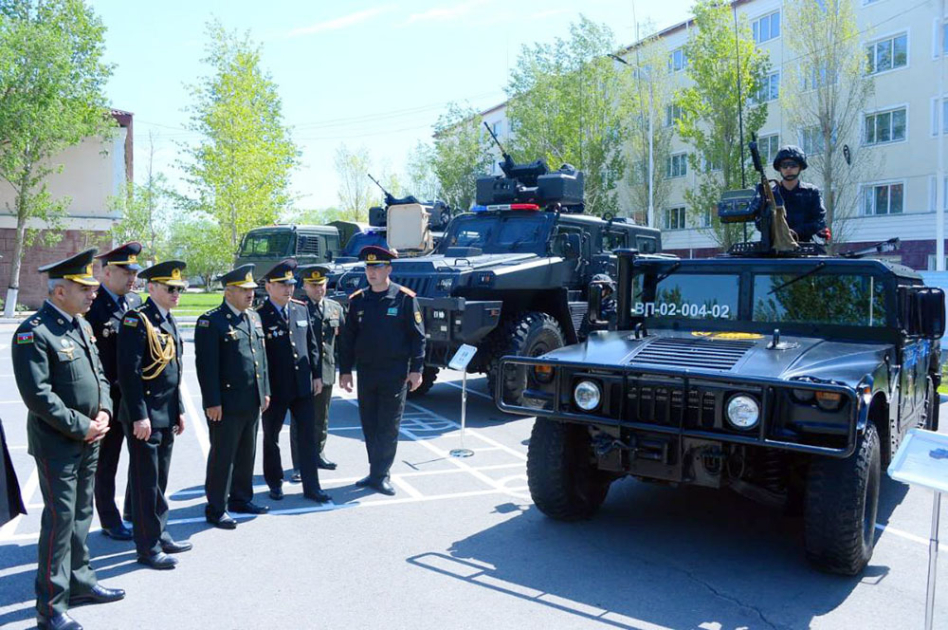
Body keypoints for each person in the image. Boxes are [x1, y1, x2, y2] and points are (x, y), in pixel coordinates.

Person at [11, 249, 125, 630]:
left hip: (90, 437)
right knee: (59, 523)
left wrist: (105, 410)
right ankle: (50, 607)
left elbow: (101, 376)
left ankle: (81, 582)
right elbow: (39, 396)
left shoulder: (81, 326)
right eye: (85, 288)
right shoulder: (34, 332)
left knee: (80, 516)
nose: (93, 294)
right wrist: (83, 425)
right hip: (58, 443)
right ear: (60, 291)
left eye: (93, 287)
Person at [117, 260, 193, 570]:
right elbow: (129, 373)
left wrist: (180, 411)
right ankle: (147, 547)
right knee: (146, 481)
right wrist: (139, 416)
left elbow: (174, 371)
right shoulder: (137, 320)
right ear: (152, 288)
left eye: (179, 289)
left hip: (165, 413)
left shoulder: (168, 320)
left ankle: (159, 533)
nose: (176, 293)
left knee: (159, 478)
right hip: (145, 415)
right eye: (170, 288)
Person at [339, 246, 425, 496]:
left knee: (388, 425)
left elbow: (418, 337)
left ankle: (381, 474)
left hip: (394, 372)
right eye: (368, 267)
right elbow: (348, 339)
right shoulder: (358, 300)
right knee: (370, 424)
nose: (372, 272)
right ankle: (375, 470)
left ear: (389, 268)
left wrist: (417, 369)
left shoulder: (405, 298)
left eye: (377, 267)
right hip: (367, 373)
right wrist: (345, 371)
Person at [194, 264, 270, 529]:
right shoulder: (211, 321)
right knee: (222, 457)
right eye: (244, 290)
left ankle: (241, 498)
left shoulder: (253, 318)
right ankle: (216, 507)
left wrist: (265, 391)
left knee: (247, 453)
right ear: (228, 292)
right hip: (225, 404)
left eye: (251, 289)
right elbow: (206, 366)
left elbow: (261, 359)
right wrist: (212, 402)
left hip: (251, 400)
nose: (250, 294)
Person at [257, 259, 330, 503]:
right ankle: (275, 482)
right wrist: (263, 389)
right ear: (268, 286)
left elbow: (312, 346)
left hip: (302, 386)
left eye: (290, 284)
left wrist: (317, 375)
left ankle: (312, 486)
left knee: (307, 437)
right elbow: (260, 358)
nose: (288, 289)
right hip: (275, 390)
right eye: (282, 285)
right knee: (272, 438)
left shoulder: (300, 309)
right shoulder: (259, 316)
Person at [86, 242, 143, 542]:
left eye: (134, 271)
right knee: (107, 463)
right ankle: (110, 520)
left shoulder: (134, 303)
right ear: (107, 272)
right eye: (125, 271)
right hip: (107, 399)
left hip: (132, 397)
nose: (131, 277)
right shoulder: (92, 306)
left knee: (140, 457)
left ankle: (135, 511)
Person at [291, 264, 344, 479]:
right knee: (301, 420)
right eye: (313, 285)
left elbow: (340, 342)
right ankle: (299, 465)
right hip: (304, 373)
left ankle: (318, 454)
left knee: (322, 418)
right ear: (304, 285)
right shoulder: (297, 308)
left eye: (321, 284)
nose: (318, 289)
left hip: (327, 370)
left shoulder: (334, 308)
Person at [749, 145, 828, 243]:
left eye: (793, 165)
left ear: (800, 167)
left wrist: (794, 232)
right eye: (784, 165)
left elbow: (819, 222)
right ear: (780, 168)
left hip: (804, 248)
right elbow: (760, 224)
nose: (788, 169)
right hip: (775, 248)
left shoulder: (811, 192)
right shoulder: (770, 194)